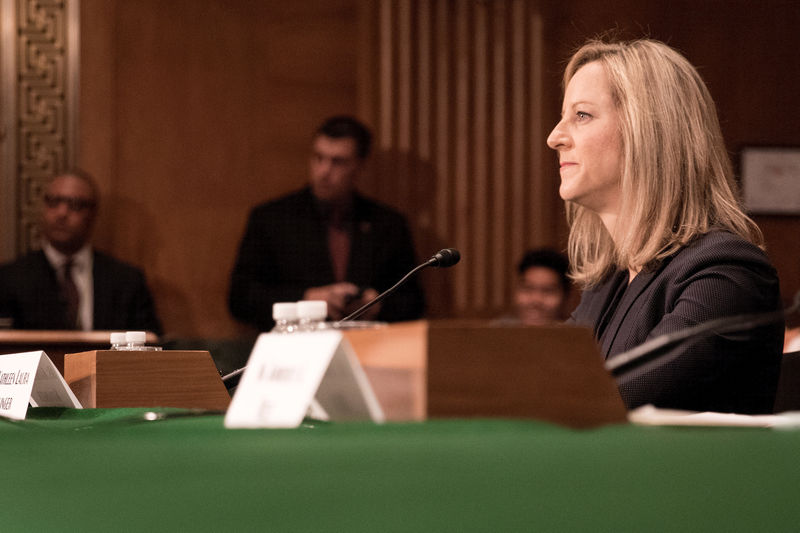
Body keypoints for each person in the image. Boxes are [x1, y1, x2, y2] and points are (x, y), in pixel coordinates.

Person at [546, 38, 782, 414]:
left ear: (648, 132)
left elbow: (602, 398)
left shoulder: (726, 274)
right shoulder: (608, 283)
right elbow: (544, 379)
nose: (554, 137)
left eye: (582, 115)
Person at [228, 115, 425, 329]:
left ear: (360, 166)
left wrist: (376, 304)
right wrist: (307, 298)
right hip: (295, 350)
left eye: (338, 162)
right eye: (318, 158)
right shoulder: (272, 218)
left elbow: (414, 302)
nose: (324, 171)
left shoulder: (388, 224)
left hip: (370, 350)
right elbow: (240, 297)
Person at [0, 169, 162, 334]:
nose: (62, 213)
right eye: (54, 202)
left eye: (75, 205)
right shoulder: (9, 279)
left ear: (92, 214)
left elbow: (150, 345)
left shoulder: (127, 281)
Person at [499, 248, 570, 326]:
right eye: (527, 288)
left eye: (548, 291)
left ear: (565, 297)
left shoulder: (578, 336)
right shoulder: (493, 334)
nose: (536, 300)